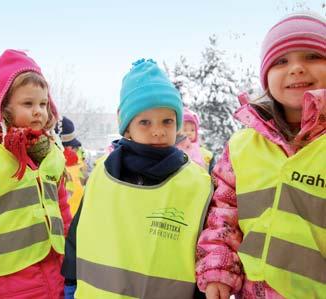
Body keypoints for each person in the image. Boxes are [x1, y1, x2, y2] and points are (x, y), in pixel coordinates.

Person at [196, 12, 326, 299]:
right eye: (281, 61)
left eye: (313, 56)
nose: (297, 69)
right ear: (266, 75)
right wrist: (219, 269)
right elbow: (223, 216)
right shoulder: (243, 146)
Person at [61, 58, 213, 299]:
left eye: (167, 121)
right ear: (127, 127)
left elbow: (206, 251)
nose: (158, 130)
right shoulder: (103, 173)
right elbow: (79, 232)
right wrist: (70, 281)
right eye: (145, 122)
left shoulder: (197, 183)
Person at [0, 49, 72, 298]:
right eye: (28, 104)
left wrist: (71, 254)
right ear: (4, 108)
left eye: (43, 104)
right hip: (4, 283)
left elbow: (62, 208)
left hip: (54, 275)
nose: (38, 111)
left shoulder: (50, 152)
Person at [55, 116, 88, 216]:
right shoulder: (51, 166)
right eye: (65, 146)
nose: (70, 148)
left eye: (72, 145)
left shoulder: (81, 160)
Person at [176, 107, 214, 171]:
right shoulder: (175, 149)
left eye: (192, 130)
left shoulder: (202, 152)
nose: (189, 133)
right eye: (185, 130)